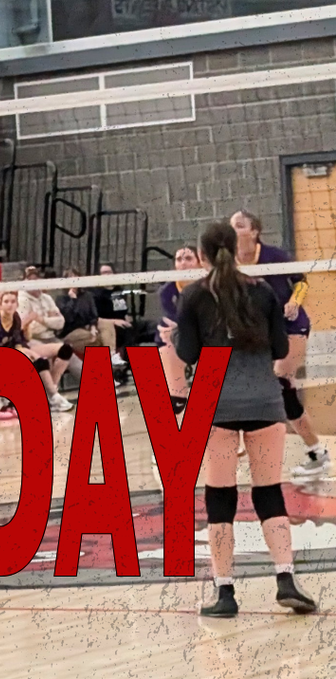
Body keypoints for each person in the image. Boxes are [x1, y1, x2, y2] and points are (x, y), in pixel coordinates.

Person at [175, 221, 317, 617]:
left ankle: (225, 592)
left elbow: (188, 353)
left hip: (215, 401)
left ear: (201, 255)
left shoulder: (194, 296)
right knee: (268, 492)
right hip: (263, 399)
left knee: (220, 498)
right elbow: (280, 348)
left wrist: (178, 339)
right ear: (237, 250)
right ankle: (285, 579)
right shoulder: (263, 291)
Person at [230, 210, 330, 480]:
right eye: (231, 226)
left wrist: (295, 301)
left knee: (281, 384)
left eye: (239, 225)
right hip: (259, 331)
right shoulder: (229, 262)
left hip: (291, 325)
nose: (234, 230)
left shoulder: (274, 255)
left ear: (254, 231)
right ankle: (311, 451)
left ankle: (317, 454)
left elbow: (301, 282)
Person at [155, 245, 201, 414]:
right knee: (164, 336)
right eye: (179, 259)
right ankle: (177, 393)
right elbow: (171, 319)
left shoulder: (208, 285)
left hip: (204, 331)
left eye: (188, 258)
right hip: (179, 333)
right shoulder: (166, 291)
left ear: (200, 262)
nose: (183, 263)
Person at [17, 265, 67, 345]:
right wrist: (50, 320)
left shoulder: (47, 298)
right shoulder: (21, 300)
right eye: (30, 280)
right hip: (33, 339)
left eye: (35, 279)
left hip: (51, 337)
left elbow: (61, 322)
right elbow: (30, 328)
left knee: (68, 350)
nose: (33, 283)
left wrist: (41, 319)